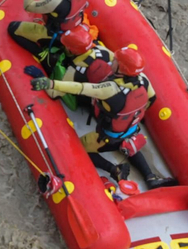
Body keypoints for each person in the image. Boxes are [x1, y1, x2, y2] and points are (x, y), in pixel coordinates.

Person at [31, 44, 177, 189]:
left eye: (115, 61)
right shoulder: (143, 80)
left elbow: (81, 88)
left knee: (80, 147)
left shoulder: (110, 89)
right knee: (127, 141)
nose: (112, 61)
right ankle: (150, 176)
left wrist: (50, 83)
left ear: (122, 69)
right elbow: (151, 99)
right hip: (132, 129)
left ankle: (114, 170)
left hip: (108, 137)